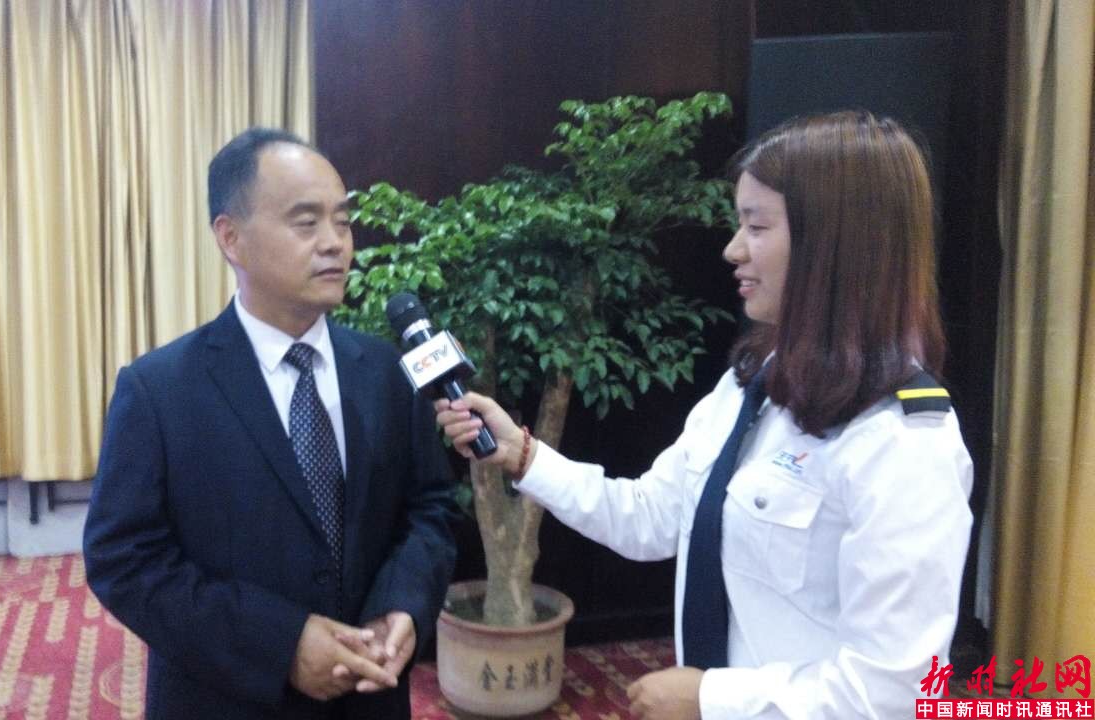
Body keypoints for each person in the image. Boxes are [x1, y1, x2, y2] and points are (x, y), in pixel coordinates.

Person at [436, 111, 973, 720]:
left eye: (757, 226)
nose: (732, 249)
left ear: (833, 244)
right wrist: (523, 455)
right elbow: (650, 516)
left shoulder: (903, 440)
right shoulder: (754, 383)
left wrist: (712, 699)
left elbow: (895, 693)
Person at [84, 128, 460, 719]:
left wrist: (403, 604)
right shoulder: (159, 390)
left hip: (369, 699)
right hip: (224, 702)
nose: (335, 243)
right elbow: (124, 561)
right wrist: (279, 646)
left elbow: (430, 509)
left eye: (343, 222)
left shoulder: (386, 371)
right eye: (306, 223)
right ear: (230, 237)